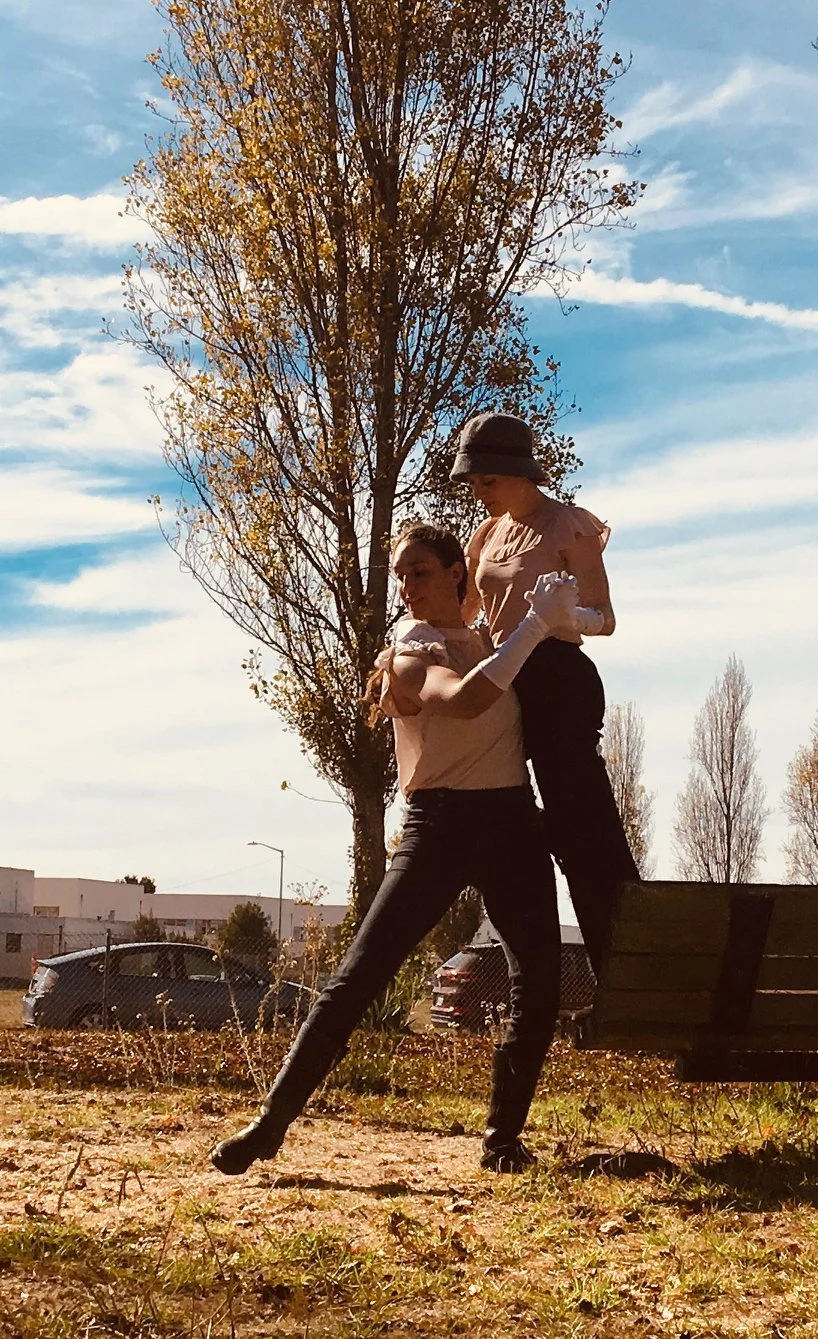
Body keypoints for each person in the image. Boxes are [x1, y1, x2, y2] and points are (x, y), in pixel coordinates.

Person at [210, 522, 579, 1176]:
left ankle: (501, 1142)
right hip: (439, 826)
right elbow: (467, 700)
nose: (407, 587)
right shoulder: (410, 651)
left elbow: (583, 613)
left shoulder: (488, 633)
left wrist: (557, 609)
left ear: (455, 573)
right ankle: (270, 1123)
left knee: (541, 985)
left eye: (421, 572)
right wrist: (534, 629)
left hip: (512, 820)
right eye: (401, 576)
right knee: (359, 975)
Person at [451, 412, 639, 968]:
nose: (478, 492)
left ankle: (625, 967)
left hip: (558, 677)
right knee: (513, 825)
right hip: (506, 675)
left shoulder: (567, 525)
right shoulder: (484, 536)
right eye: (473, 482)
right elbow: (466, 614)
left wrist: (565, 616)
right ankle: (537, 972)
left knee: (579, 828)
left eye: (487, 480)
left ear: (519, 473)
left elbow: (605, 618)